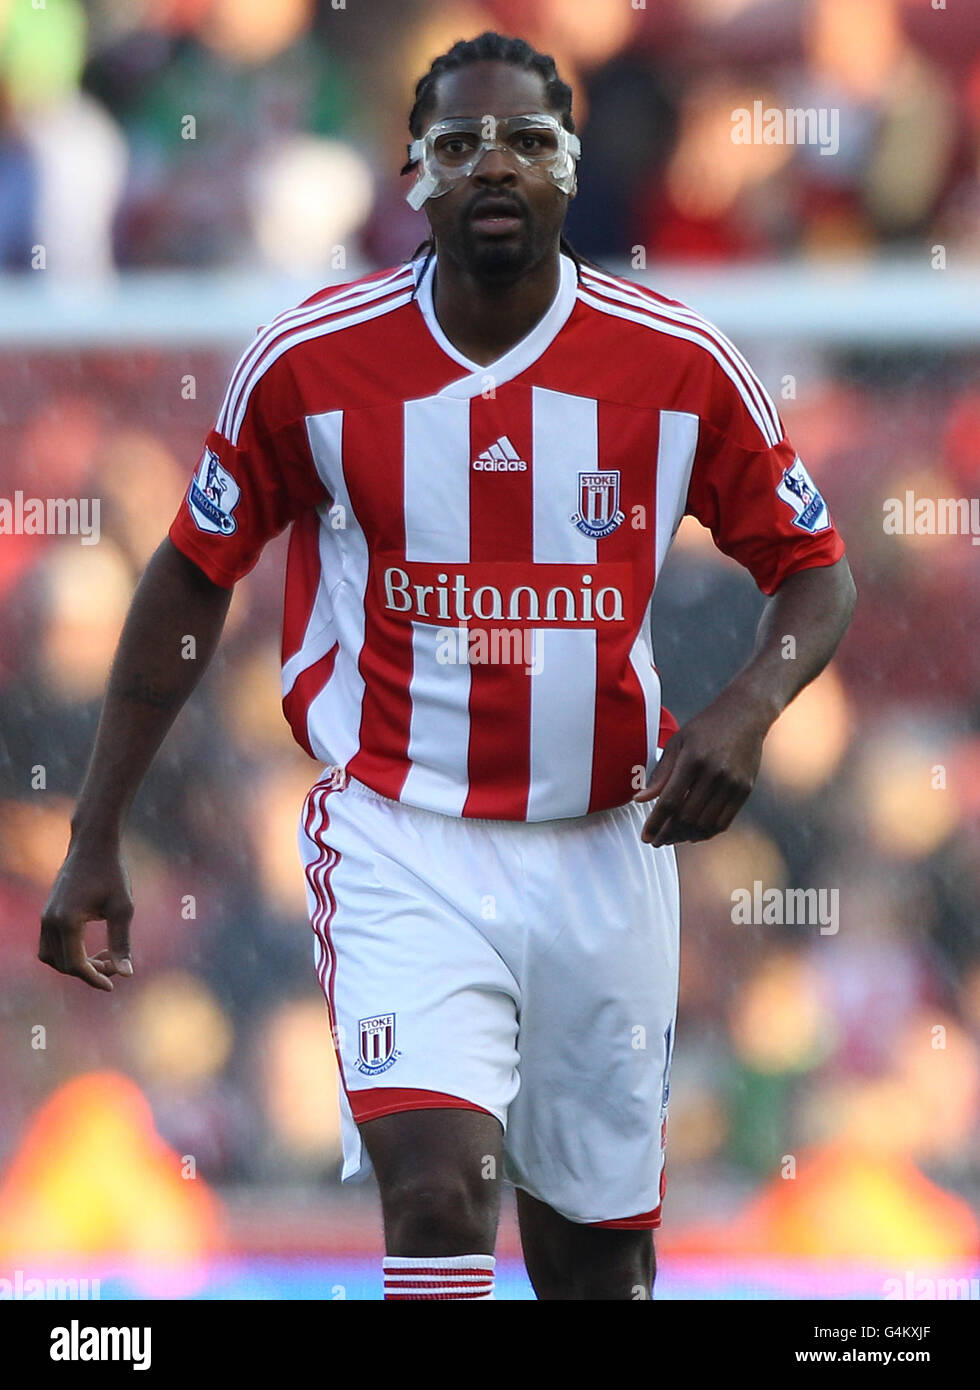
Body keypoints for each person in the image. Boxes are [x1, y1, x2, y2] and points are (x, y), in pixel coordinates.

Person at [39, 32, 856, 1301]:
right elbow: (192, 573)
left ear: (570, 169)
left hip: (603, 850)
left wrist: (747, 710)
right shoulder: (310, 361)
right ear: (410, 176)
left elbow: (817, 568)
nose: (494, 165)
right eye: (458, 144)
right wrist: (98, 830)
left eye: (527, 141)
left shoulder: (677, 363)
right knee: (436, 1193)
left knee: (595, 1262)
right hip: (397, 835)